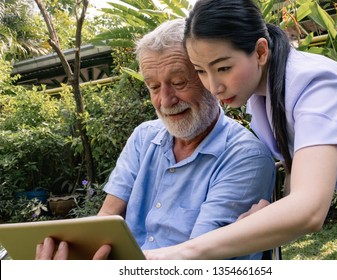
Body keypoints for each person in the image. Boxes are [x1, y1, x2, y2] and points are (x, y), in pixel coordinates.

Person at [143, 0, 337, 260]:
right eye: (201, 71)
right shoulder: (265, 95)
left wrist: (183, 252)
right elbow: (298, 181)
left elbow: (309, 210)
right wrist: (270, 216)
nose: (214, 86)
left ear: (260, 51)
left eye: (223, 68)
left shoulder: (314, 87)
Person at [35, 18, 276, 260]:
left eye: (179, 83)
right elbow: (107, 218)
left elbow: (198, 258)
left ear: (208, 77)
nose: (165, 100)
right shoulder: (144, 137)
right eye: (153, 86)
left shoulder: (246, 156)